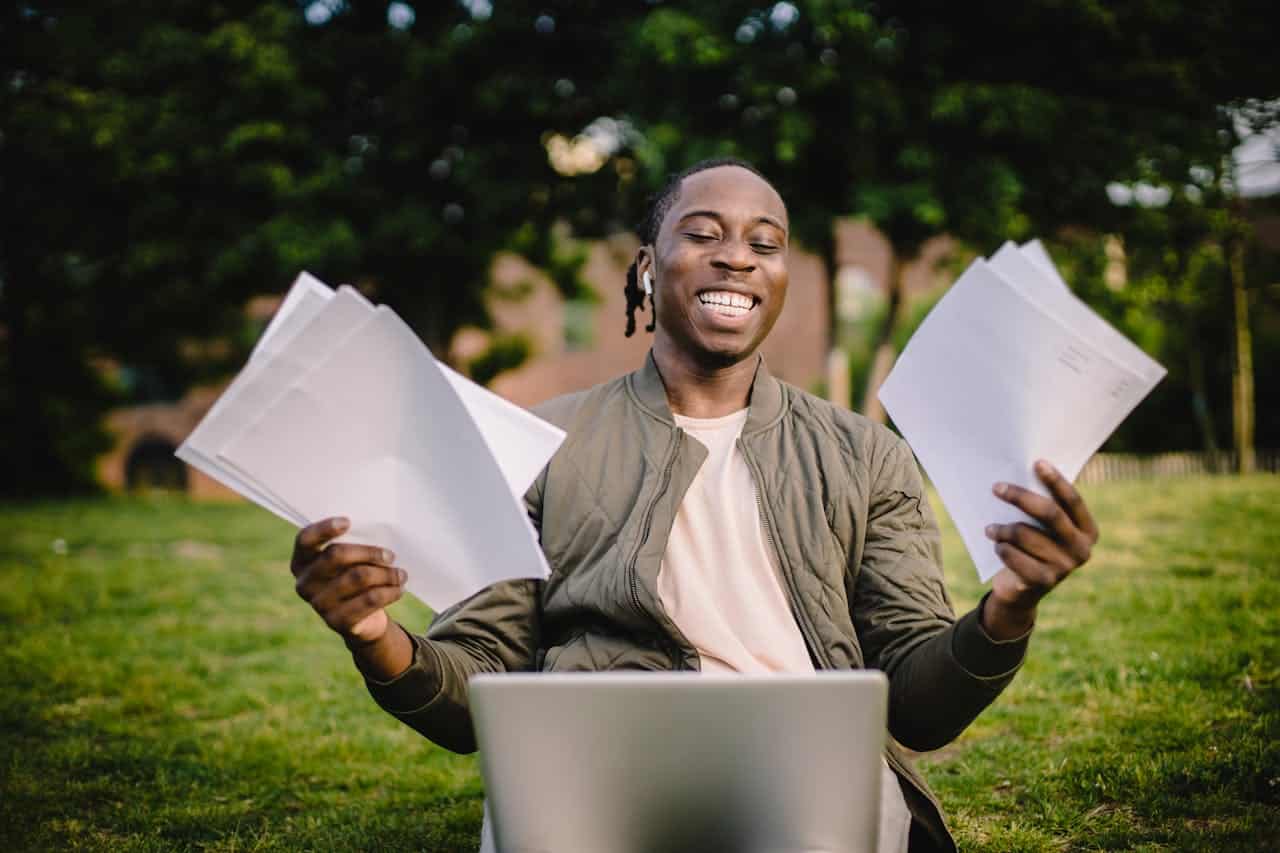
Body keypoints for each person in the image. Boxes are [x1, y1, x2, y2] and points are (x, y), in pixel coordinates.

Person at [288, 158, 1100, 852]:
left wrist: (1008, 610)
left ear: (781, 278)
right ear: (648, 266)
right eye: (704, 233)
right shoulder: (539, 444)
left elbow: (920, 703)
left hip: (809, 789)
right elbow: (476, 690)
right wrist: (372, 634)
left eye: (764, 244)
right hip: (593, 777)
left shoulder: (866, 455)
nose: (736, 258)